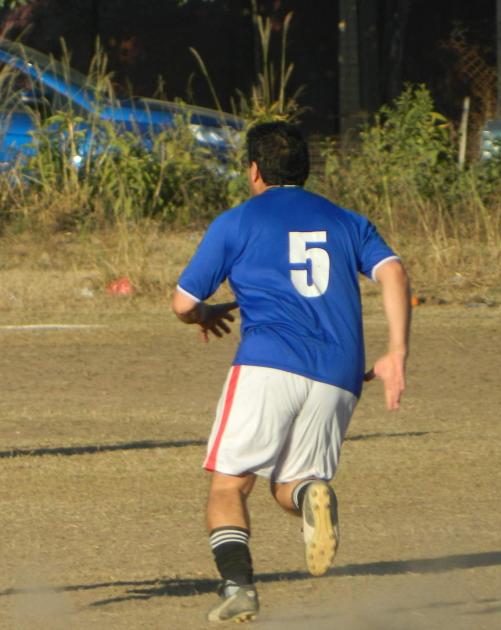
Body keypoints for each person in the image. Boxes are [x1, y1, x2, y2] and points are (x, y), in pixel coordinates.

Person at [171, 121, 411, 623]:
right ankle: (309, 495)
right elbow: (393, 271)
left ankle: (238, 587)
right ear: (306, 169)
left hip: (268, 362)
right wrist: (396, 352)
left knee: (229, 486)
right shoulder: (346, 220)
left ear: (254, 170)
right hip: (339, 373)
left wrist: (204, 314)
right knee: (292, 483)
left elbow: (183, 303)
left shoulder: (238, 221)